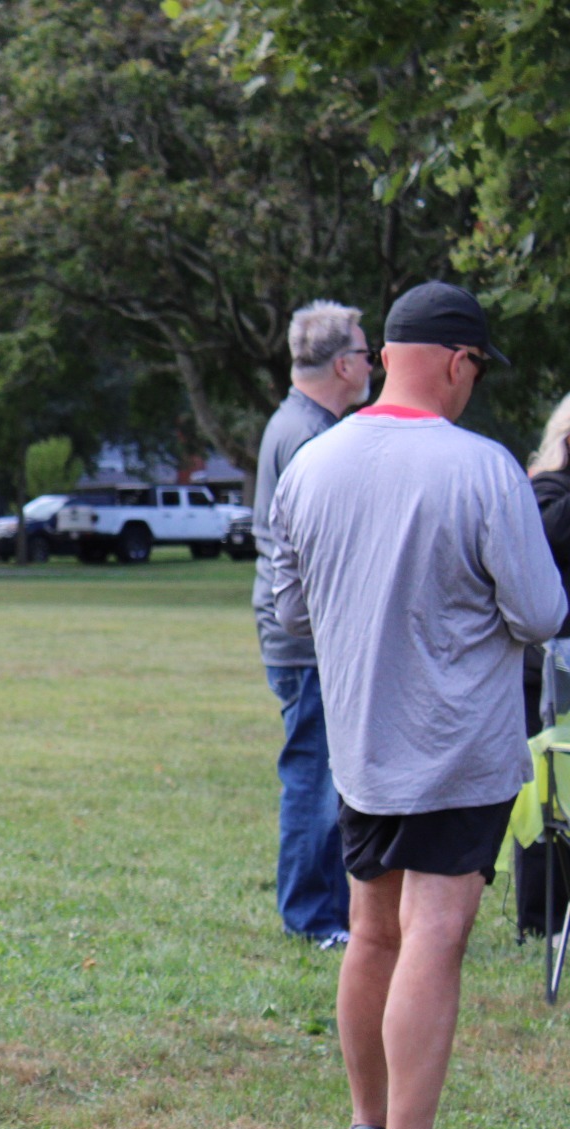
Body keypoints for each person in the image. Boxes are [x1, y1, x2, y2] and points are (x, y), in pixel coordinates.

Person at [272, 280, 564, 1129]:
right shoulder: (480, 467)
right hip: (456, 747)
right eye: (477, 366)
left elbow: (289, 608)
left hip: (362, 743)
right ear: (454, 360)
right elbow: (543, 609)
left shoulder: (311, 464)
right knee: (436, 936)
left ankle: (367, 1128)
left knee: (373, 934)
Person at [254, 300, 373, 948]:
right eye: (364, 347)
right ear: (343, 363)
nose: (373, 360)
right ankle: (313, 916)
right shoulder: (311, 436)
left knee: (321, 770)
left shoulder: (298, 423)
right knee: (314, 774)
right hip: (308, 640)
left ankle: (326, 910)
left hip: (301, 635)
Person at [517, 391, 570, 944]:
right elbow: (547, 540)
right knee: (548, 797)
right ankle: (541, 919)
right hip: (549, 671)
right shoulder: (547, 493)